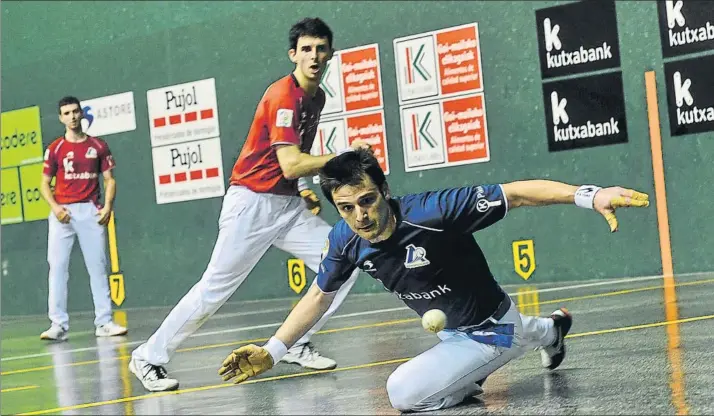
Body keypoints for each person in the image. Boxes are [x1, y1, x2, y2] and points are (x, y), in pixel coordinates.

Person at [217, 148, 650, 412]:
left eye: (367, 201)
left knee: (403, 393)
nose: (360, 216)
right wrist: (273, 351)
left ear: (384, 191)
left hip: (489, 331)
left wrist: (588, 196)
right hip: (460, 335)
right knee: (515, 333)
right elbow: (318, 296)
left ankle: (470, 380)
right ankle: (552, 328)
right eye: (346, 207)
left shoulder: (434, 212)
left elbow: (515, 193)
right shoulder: (345, 239)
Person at [129, 17, 369, 392]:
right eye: (306, 49)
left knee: (344, 262)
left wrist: (303, 186)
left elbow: (295, 157)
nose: (314, 56)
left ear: (331, 53)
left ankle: (296, 342)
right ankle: (148, 357)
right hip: (252, 204)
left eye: (321, 49)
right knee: (214, 290)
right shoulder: (283, 96)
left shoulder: (316, 97)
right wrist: (345, 157)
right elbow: (290, 161)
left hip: (287, 206)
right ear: (293, 54)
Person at [39, 96, 127, 341]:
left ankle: (104, 322)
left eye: (75, 112)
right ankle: (57, 325)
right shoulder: (55, 149)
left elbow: (109, 179)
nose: (72, 117)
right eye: (66, 113)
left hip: (90, 211)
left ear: (81, 113)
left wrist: (107, 206)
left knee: (97, 266)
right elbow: (44, 184)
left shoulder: (98, 146)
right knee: (57, 268)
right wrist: (56, 208)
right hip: (62, 214)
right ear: (61, 118)